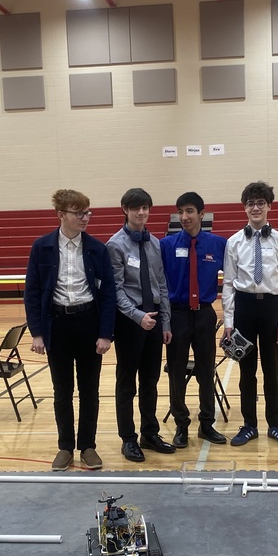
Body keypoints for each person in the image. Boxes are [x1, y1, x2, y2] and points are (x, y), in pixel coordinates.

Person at [25, 189, 116, 472]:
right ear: (61, 215)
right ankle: (65, 447)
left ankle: (88, 446)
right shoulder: (42, 247)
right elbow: (32, 292)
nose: (85, 218)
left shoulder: (97, 249)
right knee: (62, 391)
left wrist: (105, 333)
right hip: (58, 325)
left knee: (90, 390)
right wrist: (37, 333)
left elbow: (109, 294)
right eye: (78, 213)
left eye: (87, 212)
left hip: (88, 323)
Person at [222, 181, 278, 447]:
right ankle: (249, 425)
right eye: (251, 203)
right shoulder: (233, 242)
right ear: (244, 207)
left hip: (270, 308)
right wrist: (229, 321)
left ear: (268, 206)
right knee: (246, 371)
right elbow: (228, 284)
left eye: (260, 203)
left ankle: (275, 425)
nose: (255, 208)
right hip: (244, 307)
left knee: (271, 370)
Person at [107, 188, 176, 462]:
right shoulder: (115, 245)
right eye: (136, 208)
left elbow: (161, 283)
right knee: (127, 383)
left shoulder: (155, 243)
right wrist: (137, 316)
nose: (141, 213)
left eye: (145, 207)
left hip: (156, 319)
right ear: (125, 209)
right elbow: (116, 289)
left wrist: (165, 321)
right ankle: (128, 439)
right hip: (129, 322)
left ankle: (150, 433)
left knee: (151, 380)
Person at [161, 191, 228, 448]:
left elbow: (232, 281)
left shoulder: (218, 244)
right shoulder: (165, 245)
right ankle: (181, 426)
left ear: (202, 214)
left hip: (204, 313)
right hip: (176, 314)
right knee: (176, 373)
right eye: (181, 212)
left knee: (205, 371)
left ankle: (207, 424)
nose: (184, 216)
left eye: (189, 211)